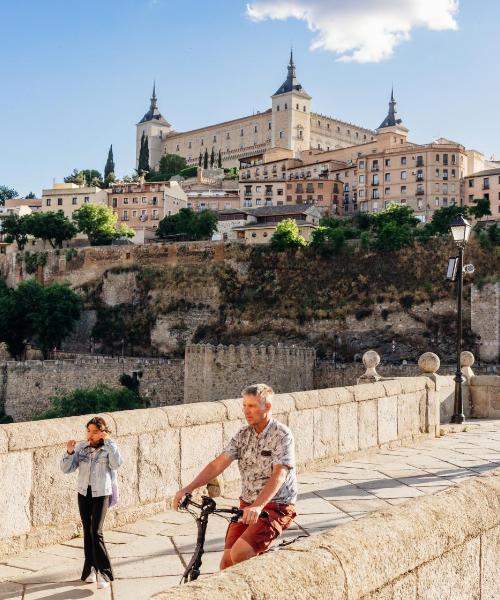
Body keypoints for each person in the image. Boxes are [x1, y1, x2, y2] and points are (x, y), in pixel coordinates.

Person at [173, 383, 297, 569]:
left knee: (240, 553)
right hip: (246, 505)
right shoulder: (243, 434)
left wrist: (258, 506)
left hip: (275, 506)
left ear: (267, 407)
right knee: (226, 564)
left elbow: (279, 474)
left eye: (252, 406)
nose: (246, 411)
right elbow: (218, 464)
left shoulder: (281, 435)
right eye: (244, 405)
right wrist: (187, 489)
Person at [61, 416, 123, 589]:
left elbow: (117, 464)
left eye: (95, 431)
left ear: (103, 432)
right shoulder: (81, 448)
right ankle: (89, 570)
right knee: (87, 531)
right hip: (83, 493)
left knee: (96, 531)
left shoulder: (109, 448)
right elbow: (66, 469)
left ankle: (105, 572)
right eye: (89, 431)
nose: (90, 435)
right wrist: (70, 452)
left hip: (102, 493)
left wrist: (109, 442)